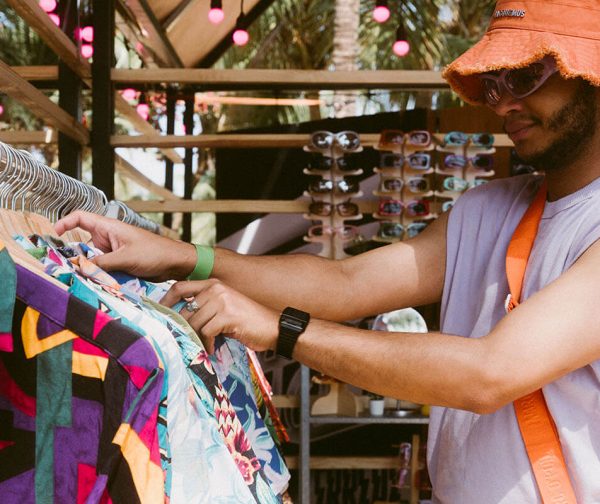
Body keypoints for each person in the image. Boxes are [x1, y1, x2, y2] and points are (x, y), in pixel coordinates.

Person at [56, 1, 600, 501]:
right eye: (495, 83)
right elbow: (347, 285)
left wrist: (282, 329)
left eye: (526, 76)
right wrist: (182, 256)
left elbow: (491, 373)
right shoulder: (489, 209)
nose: (504, 103)